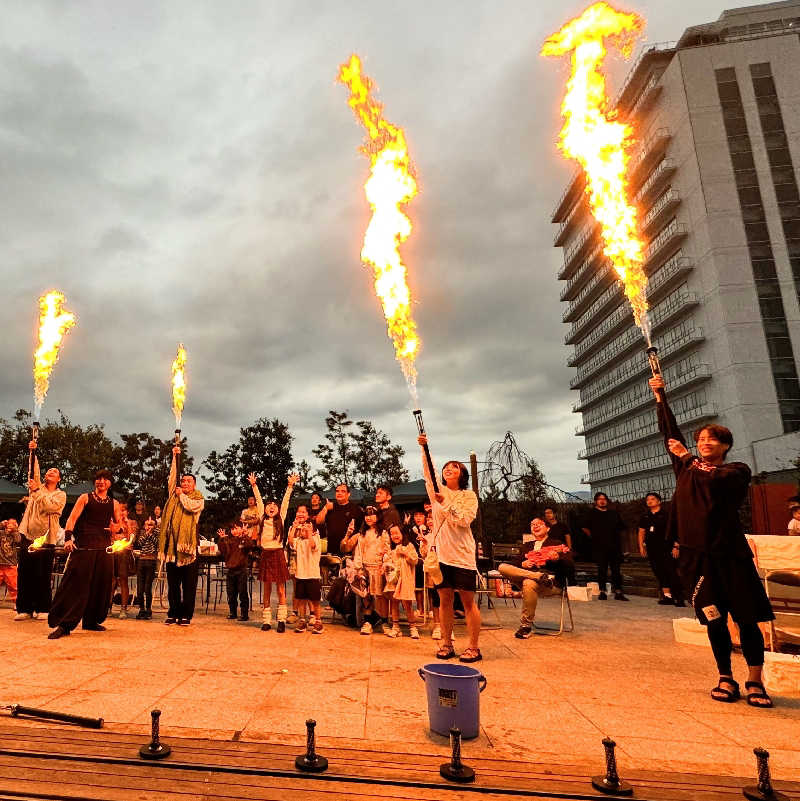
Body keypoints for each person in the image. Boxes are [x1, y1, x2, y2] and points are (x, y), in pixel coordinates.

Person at [650, 374, 775, 707]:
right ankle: (725, 676)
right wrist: (661, 396)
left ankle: (754, 680)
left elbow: (714, 477)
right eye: (702, 439)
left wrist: (689, 456)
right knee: (714, 619)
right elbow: (671, 435)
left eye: (712, 439)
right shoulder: (687, 470)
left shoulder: (736, 470)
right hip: (696, 557)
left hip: (730, 555)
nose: (705, 442)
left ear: (725, 446)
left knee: (747, 619)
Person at [418, 433, 481, 662]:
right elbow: (429, 472)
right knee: (444, 599)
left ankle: (474, 646)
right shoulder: (437, 491)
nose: (449, 469)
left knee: (466, 601)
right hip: (441, 555)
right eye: (447, 467)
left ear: (462, 474)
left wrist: (445, 504)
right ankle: (446, 643)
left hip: (462, 556)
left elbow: (464, 521)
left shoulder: (468, 496)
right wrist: (425, 448)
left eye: (455, 467)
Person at [47, 469, 123, 639]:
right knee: (76, 585)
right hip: (84, 547)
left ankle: (91, 620)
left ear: (109, 483)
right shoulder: (85, 498)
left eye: (104, 479)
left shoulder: (114, 503)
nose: (100, 481)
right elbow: (71, 519)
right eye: (98, 479)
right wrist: (68, 538)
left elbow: (120, 526)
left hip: (104, 549)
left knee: (101, 586)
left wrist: (117, 529)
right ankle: (64, 625)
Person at [498, 517, 574, 638]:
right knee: (502, 567)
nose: (535, 526)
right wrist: (522, 564)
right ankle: (538, 576)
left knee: (529, 582)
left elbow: (570, 566)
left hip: (550, 583)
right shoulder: (526, 546)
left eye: (539, 524)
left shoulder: (557, 544)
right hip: (530, 576)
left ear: (548, 528)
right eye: (532, 524)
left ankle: (525, 626)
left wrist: (557, 559)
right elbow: (513, 564)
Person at [16, 440, 66, 620]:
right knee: (25, 573)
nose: (51, 472)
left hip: (47, 539)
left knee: (42, 574)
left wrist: (37, 492)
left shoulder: (60, 495)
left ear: (59, 479)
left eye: (55, 472)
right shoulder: (36, 487)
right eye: (49, 470)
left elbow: (51, 508)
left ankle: (43, 608)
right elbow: (33, 470)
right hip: (28, 535)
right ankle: (24, 608)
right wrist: (33, 452)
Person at [159, 446, 204, 626]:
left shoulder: (198, 498)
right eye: (183, 481)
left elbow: (190, 507)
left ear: (194, 485)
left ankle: (186, 615)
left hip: (188, 549)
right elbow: (172, 479)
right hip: (172, 547)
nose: (185, 483)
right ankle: (173, 612)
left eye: (188, 482)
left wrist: (181, 495)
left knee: (189, 585)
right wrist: (174, 457)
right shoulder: (173, 495)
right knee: (173, 584)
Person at [252, 472, 298, 632]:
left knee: (280, 589)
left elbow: (285, 502)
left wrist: (290, 486)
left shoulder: (281, 519)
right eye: (268, 504)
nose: (271, 507)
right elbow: (258, 501)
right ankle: (266, 621)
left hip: (278, 554)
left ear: (278, 509)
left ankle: (281, 620)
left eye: (274, 505)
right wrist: (254, 486)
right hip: (265, 555)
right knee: (266, 589)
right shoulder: (262, 518)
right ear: (265, 508)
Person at [638, 492, 684, 606]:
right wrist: (641, 547)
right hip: (652, 549)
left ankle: (679, 597)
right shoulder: (645, 516)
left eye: (652, 499)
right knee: (659, 572)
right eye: (648, 499)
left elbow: (678, 529)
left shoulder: (667, 514)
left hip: (667, 548)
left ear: (659, 501)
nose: (649, 501)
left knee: (671, 572)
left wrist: (676, 546)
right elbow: (641, 532)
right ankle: (667, 596)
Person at [582, 492, 628, 601]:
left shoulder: (613, 513)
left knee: (616, 570)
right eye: (599, 499)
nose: (602, 501)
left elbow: (622, 527)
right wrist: (594, 537)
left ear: (607, 501)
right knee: (602, 569)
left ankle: (618, 592)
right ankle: (602, 592)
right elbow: (584, 527)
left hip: (615, 546)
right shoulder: (592, 513)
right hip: (600, 546)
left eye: (604, 499)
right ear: (595, 501)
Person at [352, 506, 389, 635]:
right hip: (366, 568)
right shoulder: (362, 534)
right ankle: (367, 622)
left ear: (378, 516)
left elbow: (387, 550)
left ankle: (385, 622)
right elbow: (359, 552)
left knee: (380, 597)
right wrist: (359, 568)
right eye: (367, 515)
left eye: (372, 514)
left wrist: (385, 563)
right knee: (366, 597)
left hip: (379, 569)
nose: (369, 517)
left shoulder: (383, 533)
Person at [315, 484, 364, 570]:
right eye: (337, 491)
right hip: (331, 552)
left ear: (348, 494)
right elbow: (318, 521)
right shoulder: (331, 507)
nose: (339, 493)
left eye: (343, 491)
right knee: (331, 581)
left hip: (348, 553)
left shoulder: (356, 509)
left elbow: (362, 531)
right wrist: (325, 508)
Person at [383, 525, 419, 639]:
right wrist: (386, 565)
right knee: (394, 602)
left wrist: (405, 553)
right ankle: (395, 626)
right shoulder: (391, 550)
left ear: (403, 533)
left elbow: (415, 560)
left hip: (405, 580)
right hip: (393, 580)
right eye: (392, 534)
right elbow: (387, 562)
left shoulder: (408, 546)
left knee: (407, 603)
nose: (394, 536)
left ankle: (412, 627)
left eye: (396, 533)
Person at [289, 518, 323, 633]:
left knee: (315, 601)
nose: (305, 529)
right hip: (300, 575)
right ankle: (302, 620)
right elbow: (290, 541)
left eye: (308, 526)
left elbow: (313, 545)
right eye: (303, 527)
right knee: (301, 600)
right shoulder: (298, 540)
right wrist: (294, 527)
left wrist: (309, 533)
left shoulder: (315, 539)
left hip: (312, 575)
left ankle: (318, 622)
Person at [217, 522, 254, 621]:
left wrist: (245, 535)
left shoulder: (243, 539)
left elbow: (249, 545)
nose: (234, 530)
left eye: (237, 528)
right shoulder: (229, 540)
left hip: (241, 570)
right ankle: (232, 612)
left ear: (241, 529)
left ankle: (244, 614)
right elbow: (223, 550)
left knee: (243, 593)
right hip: (230, 571)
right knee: (231, 593)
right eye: (232, 529)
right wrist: (222, 539)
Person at [110, 501, 136, 619]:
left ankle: (123, 609)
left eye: (123, 510)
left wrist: (126, 523)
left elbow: (132, 538)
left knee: (123, 580)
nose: (121, 512)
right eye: (119, 510)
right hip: (113, 554)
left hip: (125, 554)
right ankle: (108, 607)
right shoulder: (112, 522)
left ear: (127, 511)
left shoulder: (132, 523)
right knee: (111, 581)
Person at [133, 516, 159, 619]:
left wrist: (150, 534)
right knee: (140, 588)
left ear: (155, 525)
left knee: (147, 588)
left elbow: (157, 544)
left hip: (151, 561)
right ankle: (141, 609)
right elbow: (139, 544)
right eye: (147, 524)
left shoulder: (157, 533)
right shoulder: (142, 533)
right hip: (141, 561)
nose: (149, 526)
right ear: (144, 525)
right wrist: (146, 534)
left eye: (151, 524)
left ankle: (148, 610)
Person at [0, 520, 20, 608]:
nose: (10, 525)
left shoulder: (15, 534)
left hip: (11, 564)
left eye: (13, 524)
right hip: (0, 563)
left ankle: (17, 603)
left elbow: (18, 540)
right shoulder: (1, 533)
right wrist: (0, 525)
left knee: (14, 585)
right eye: (9, 523)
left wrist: (15, 530)